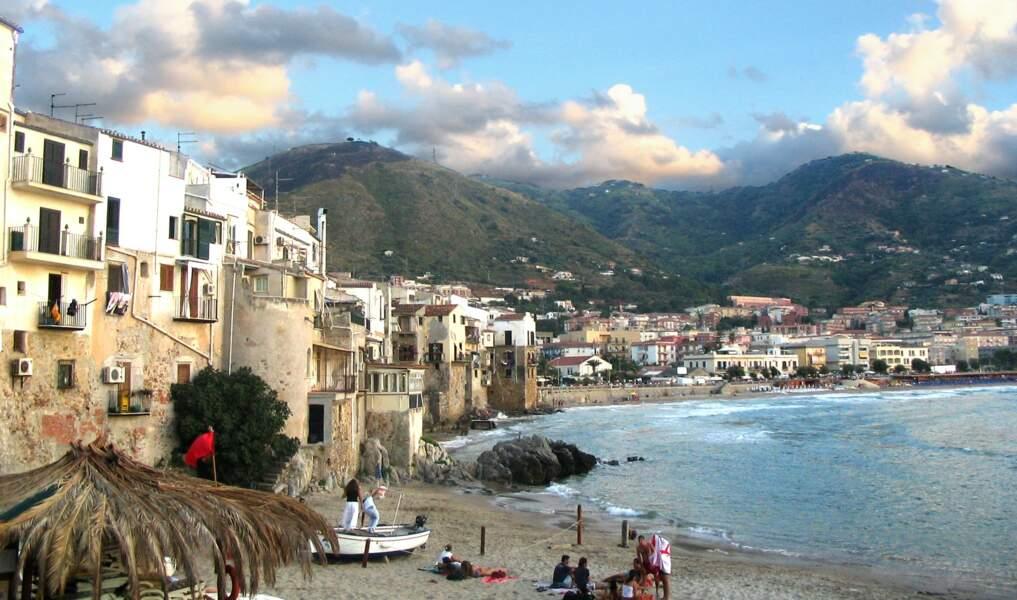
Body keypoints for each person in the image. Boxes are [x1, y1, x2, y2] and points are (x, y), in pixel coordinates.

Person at [631, 529, 671, 600]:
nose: (641, 542)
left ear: (643, 540)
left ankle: (657, 590)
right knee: (644, 576)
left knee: (656, 577)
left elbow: (654, 552)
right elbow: (639, 557)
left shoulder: (648, 544)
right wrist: (642, 566)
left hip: (651, 563)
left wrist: (650, 555)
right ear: (639, 541)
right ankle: (643, 592)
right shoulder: (638, 547)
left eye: (641, 540)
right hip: (645, 564)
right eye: (639, 541)